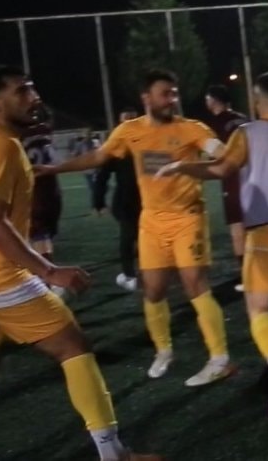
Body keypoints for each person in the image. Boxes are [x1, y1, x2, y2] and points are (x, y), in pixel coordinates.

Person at [0, 66, 156, 461]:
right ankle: (114, 454)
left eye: (32, 89)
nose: (34, 98)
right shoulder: (0, 146)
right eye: (22, 91)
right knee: (74, 347)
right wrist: (49, 271)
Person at [38, 69, 234, 387]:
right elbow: (99, 156)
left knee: (195, 285)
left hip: (187, 218)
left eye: (174, 93)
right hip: (151, 221)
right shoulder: (129, 131)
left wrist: (186, 166)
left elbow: (225, 158)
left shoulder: (193, 129)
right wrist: (54, 168)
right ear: (147, 98)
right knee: (153, 290)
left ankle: (220, 359)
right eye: (165, 93)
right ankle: (163, 351)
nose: (172, 99)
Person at [160, 72, 268, 419]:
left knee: (259, 307)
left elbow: (222, 169)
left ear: (255, 99)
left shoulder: (246, 132)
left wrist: (181, 166)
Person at [204, 85, 248, 292]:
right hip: (253, 176)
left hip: (232, 178)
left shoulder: (215, 123)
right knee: (254, 226)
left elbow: (216, 154)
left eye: (208, 98)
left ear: (213, 100)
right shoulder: (244, 118)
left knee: (237, 227)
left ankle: (247, 275)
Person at [94, 108, 143, 292]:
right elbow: (102, 174)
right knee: (130, 236)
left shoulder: (147, 141)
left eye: (132, 120)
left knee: (140, 237)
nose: (129, 124)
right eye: (125, 121)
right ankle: (131, 274)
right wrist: (98, 201)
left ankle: (138, 273)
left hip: (146, 199)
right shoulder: (117, 146)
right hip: (128, 201)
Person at [22, 109, 64, 289]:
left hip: (33, 192)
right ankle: (47, 276)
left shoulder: (18, 135)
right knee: (45, 237)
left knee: (37, 237)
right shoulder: (45, 133)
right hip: (52, 191)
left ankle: (46, 280)